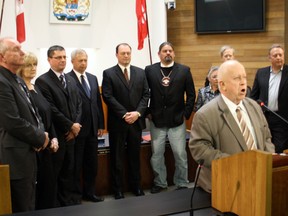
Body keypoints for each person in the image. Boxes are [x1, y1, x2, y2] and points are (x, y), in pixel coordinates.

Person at [189, 60, 275, 193]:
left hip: (258, 178)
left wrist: (265, 161)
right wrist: (236, 164)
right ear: (222, 85)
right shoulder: (205, 114)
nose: (243, 82)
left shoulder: (254, 106)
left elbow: (266, 138)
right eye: (237, 78)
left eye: (244, 77)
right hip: (225, 184)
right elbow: (199, 149)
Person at [0, 37, 49, 213]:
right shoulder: (2, 81)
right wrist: (39, 138)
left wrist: (42, 134)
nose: (22, 52)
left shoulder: (17, 79)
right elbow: (12, 121)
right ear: (2, 56)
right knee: (21, 205)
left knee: (29, 202)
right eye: (16, 49)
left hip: (28, 151)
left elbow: (35, 113)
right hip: (14, 155)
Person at [145, 41, 196, 193]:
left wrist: (185, 114)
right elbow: (143, 93)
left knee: (180, 153)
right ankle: (160, 183)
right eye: (164, 51)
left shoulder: (184, 70)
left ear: (174, 53)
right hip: (157, 120)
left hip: (177, 120)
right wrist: (148, 111)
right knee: (157, 154)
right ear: (159, 54)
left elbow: (191, 95)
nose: (167, 53)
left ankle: (181, 182)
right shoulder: (149, 70)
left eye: (170, 51)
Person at [35, 45, 82, 206]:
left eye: (64, 57)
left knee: (70, 171)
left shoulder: (69, 78)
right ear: (49, 60)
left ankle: (68, 202)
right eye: (58, 57)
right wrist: (69, 126)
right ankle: (56, 206)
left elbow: (78, 104)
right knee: (56, 173)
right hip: (58, 135)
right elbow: (51, 109)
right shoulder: (42, 81)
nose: (62, 60)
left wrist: (75, 127)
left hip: (72, 135)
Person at [102, 43, 149, 199]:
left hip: (136, 122)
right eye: (123, 53)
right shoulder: (108, 73)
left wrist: (137, 113)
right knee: (117, 158)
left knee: (135, 157)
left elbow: (145, 95)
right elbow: (107, 96)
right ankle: (118, 189)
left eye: (128, 53)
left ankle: (137, 187)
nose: (126, 56)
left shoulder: (140, 73)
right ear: (116, 55)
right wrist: (124, 114)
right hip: (118, 123)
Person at [17, 52, 59, 209]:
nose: (33, 68)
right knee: (35, 194)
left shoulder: (37, 88)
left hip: (46, 145)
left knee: (48, 188)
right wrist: (40, 138)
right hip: (32, 146)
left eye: (34, 64)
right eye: (28, 65)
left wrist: (54, 138)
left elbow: (48, 115)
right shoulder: (19, 90)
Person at [67, 49, 104, 202]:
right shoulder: (67, 79)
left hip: (93, 130)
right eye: (80, 60)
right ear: (73, 62)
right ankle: (76, 195)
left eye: (85, 60)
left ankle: (90, 192)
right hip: (78, 130)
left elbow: (97, 103)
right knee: (76, 165)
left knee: (92, 164)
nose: (83, 63)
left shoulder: (93, 78)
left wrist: (101, 124)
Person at [250, 44, 288, 153]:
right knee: (263, 147)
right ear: (269, 57)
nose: (278, 57)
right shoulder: (261, 73)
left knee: (278, 148)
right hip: (263, 117)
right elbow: (253, 96)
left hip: (281, 118)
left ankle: (275, 169)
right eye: (275, 55)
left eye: (280, 55)